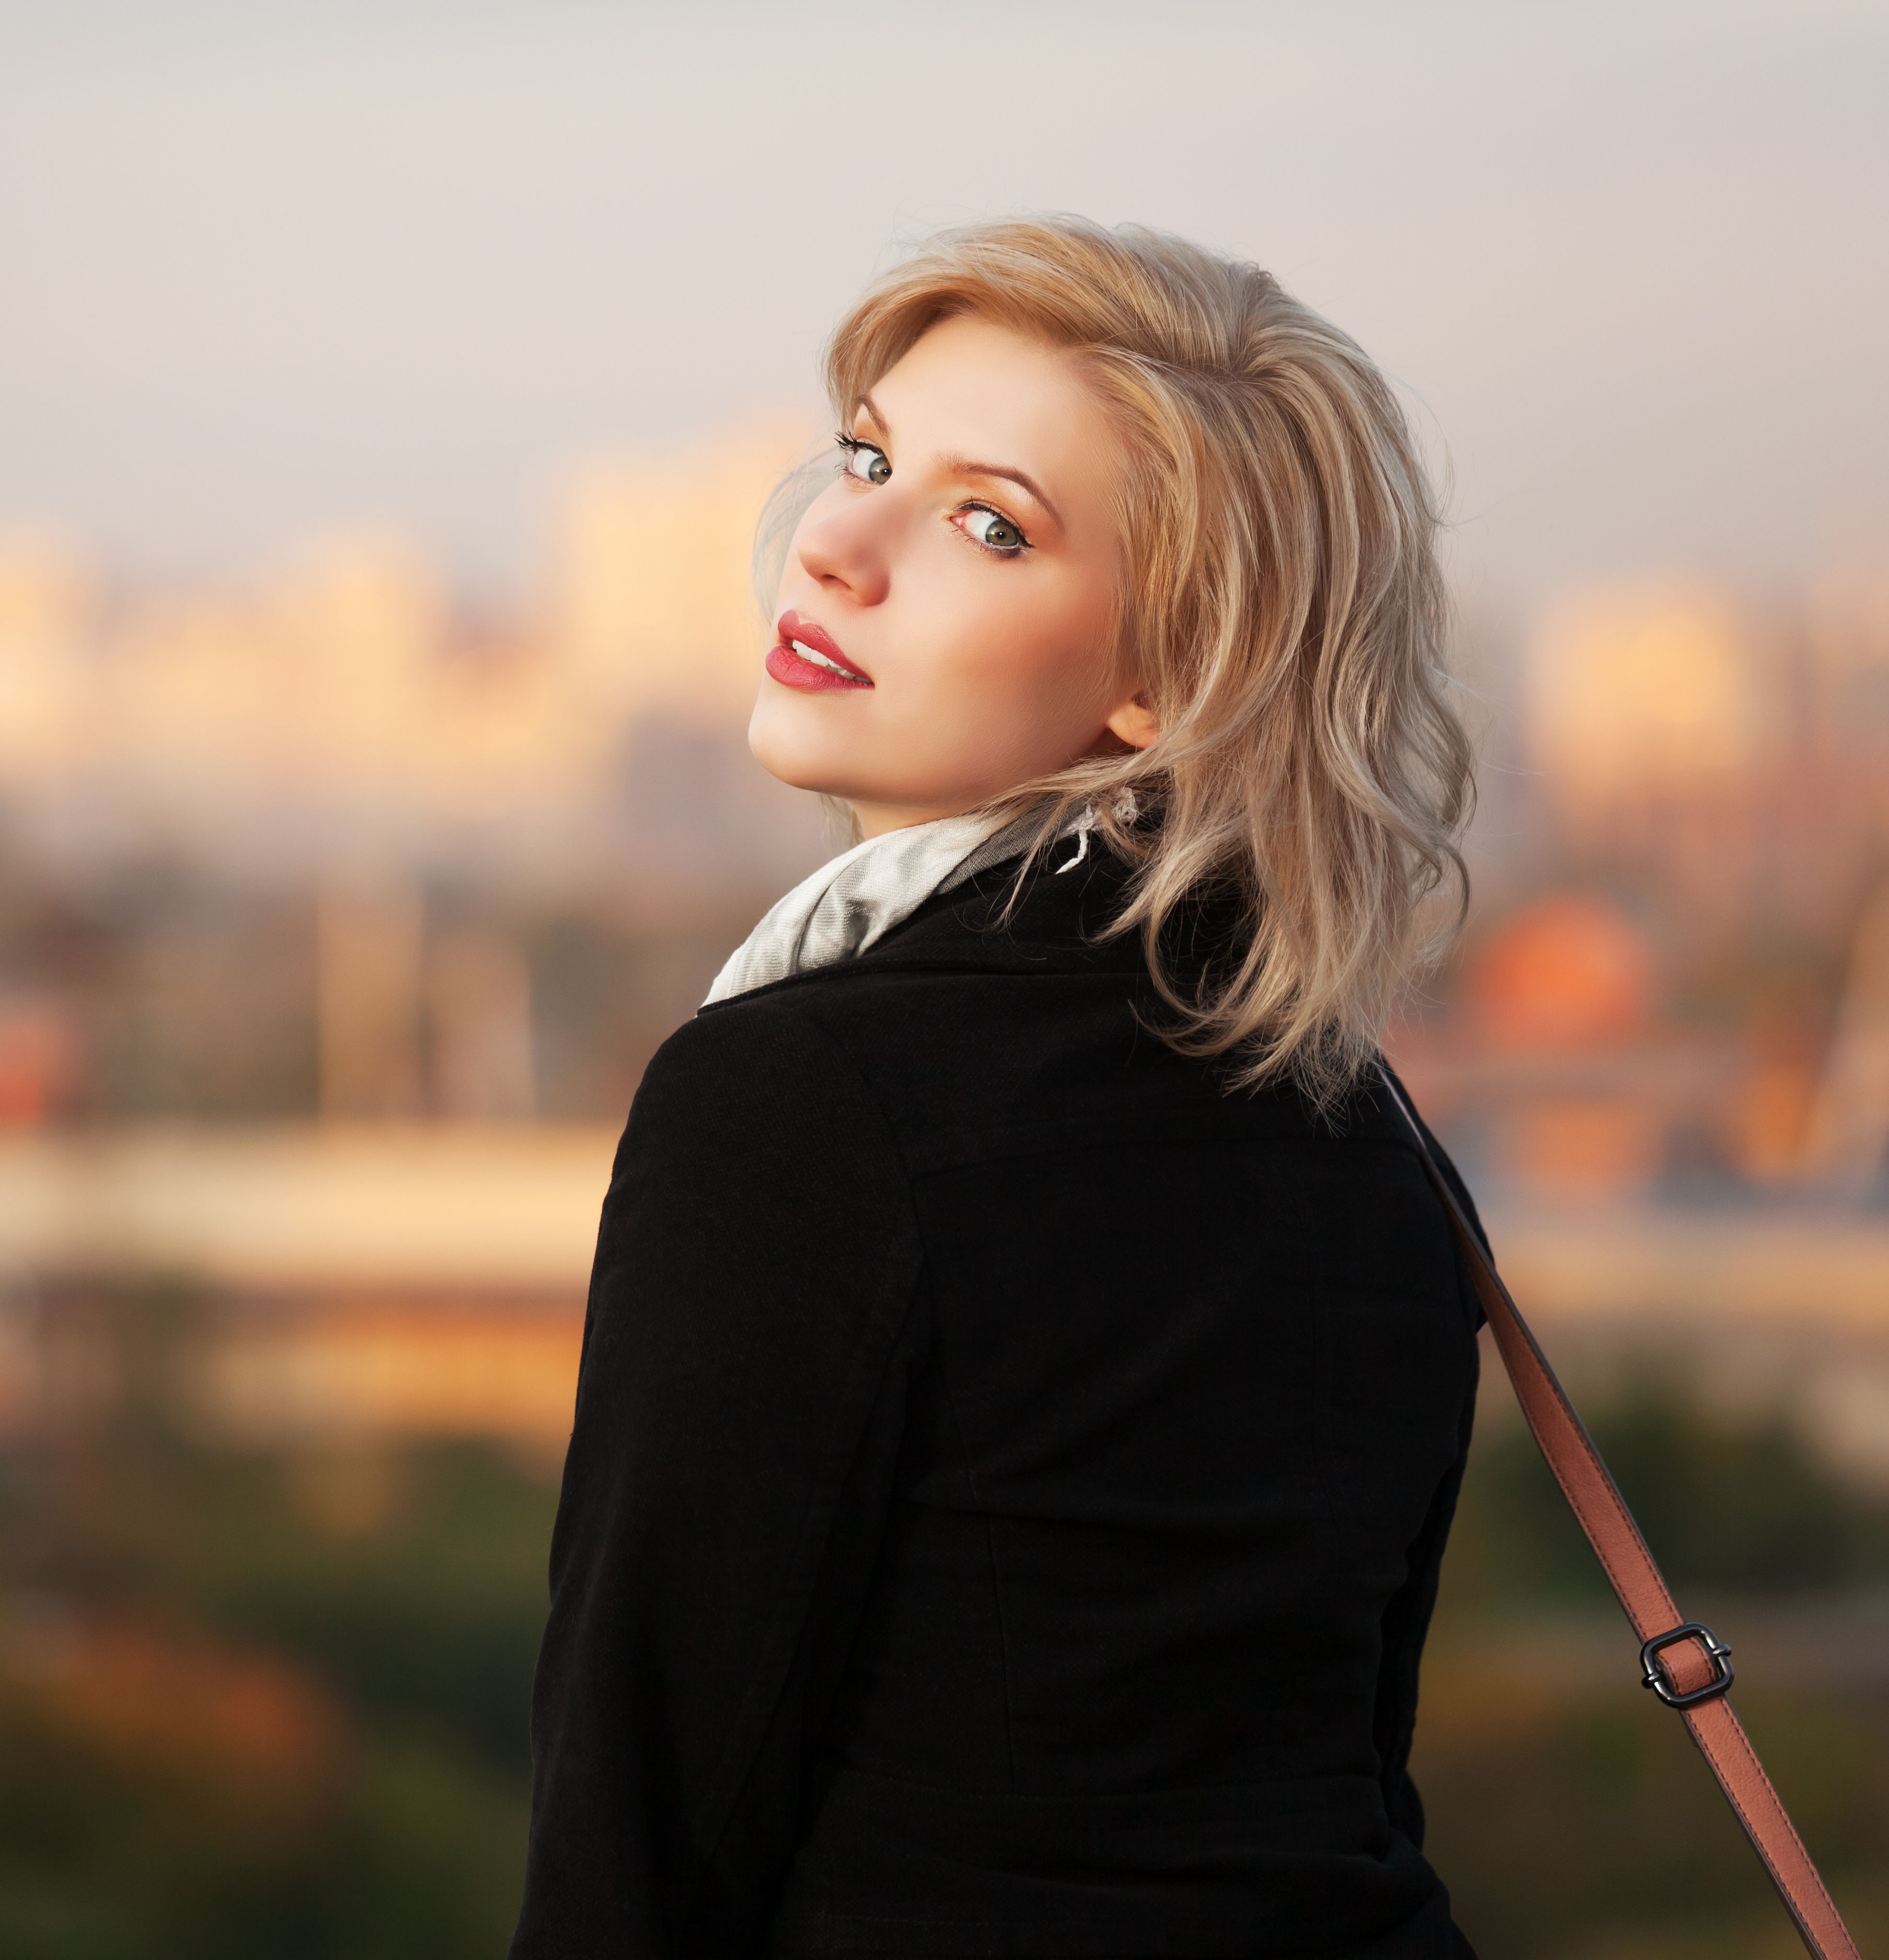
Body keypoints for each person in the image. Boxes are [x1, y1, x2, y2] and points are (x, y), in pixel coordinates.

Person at [513, 217, 1486, 1959]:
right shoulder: (1365, 1128)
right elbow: (1343, 1777)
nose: (835, 546)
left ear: (1166, 680)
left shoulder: (797, 1102)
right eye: (868, 458)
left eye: (991, 525)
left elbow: (636, 1847)